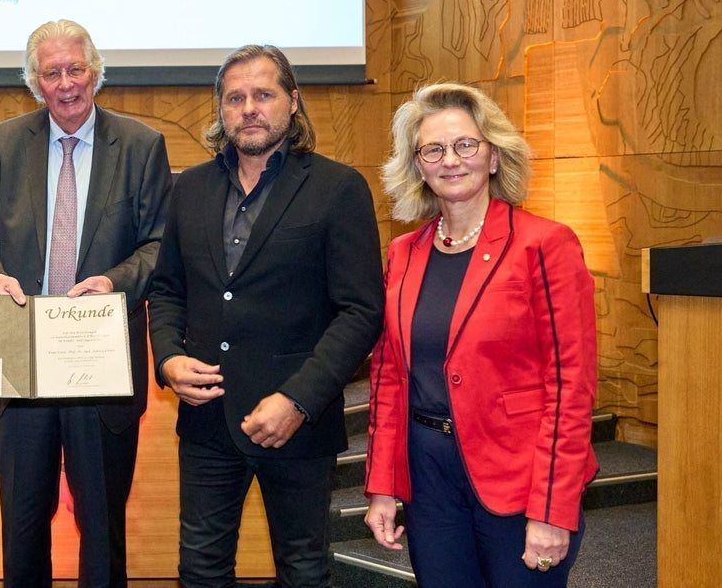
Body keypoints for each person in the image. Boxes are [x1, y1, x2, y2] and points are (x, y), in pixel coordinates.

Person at [148, 44, 383, 587]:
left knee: (303, 573)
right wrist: (169, 359)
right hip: (208, 421)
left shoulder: (338, 187)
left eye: (263, 94)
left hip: (297, 425)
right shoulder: (190, 187)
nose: (249, 108)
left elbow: (360, 311)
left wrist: (298, 400)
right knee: (200, 572)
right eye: (235, 98)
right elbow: (167, 291)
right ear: (221, 110)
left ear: (293, 102)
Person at [0, 19, 172, 587]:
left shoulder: (141, 145)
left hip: (100, 367)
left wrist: (114, 282)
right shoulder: (6, 142)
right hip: (22, 363)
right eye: (51, 73)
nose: (66, 83)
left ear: (95, 72)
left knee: (102, 528)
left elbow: (160, 245)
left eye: (75, 69)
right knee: (22, 526)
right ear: (35, 83)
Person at [363, 83, 598, 586]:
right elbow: (387, 378)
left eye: (466, 144)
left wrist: (554, 508)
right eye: (434, 149)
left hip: (519, 479)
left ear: (493, 156)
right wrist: (382, 485)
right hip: (429, 482)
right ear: (418, 166)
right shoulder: (403, 253)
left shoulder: (545, 245)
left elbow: (572, 388)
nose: (451, 159)